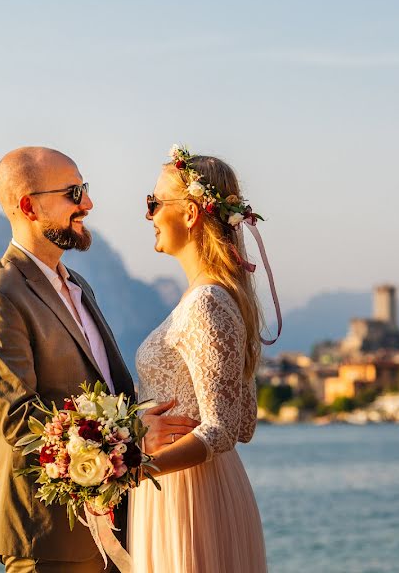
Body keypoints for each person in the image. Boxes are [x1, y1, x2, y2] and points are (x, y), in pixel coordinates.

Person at [0, 147, 198, 573]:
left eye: (84, 190)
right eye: (74, 192)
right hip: (50, 537)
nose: (87, 204)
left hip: (120, 528)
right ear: (29, 206)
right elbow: (20, 423)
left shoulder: (79, 286)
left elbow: (110, 389)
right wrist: (134, 438)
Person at [128, 145, 276, 573]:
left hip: (187, 499)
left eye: (153, 203)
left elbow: (221, 431)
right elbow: (243, 423)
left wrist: (132, 470)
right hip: (196, 488)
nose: (148, 215)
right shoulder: (219, 298)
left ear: (190, 214)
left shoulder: (207, 303)